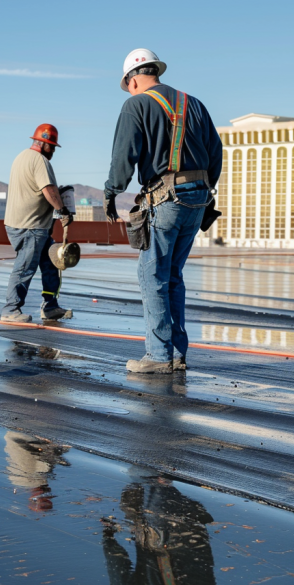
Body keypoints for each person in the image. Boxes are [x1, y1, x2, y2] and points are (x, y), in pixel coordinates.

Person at [104, 50, 222, 373]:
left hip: (166, 200)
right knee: (173, 276)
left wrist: (111, 192)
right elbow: (216, 153)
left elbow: (123, 157)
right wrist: (203, 189)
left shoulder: (136, 105)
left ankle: (158, 356)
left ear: (133, 80)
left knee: (151, 275)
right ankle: (178, 354)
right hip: (197, 200)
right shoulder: (194, 104)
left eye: (128, 84)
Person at [1, 124, 73, 323]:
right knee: (25, 267)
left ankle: (50, 306)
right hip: (30, 226)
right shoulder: (40, 161)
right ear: (43, 143)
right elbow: (48, 189)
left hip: (28, 225)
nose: (53, 152)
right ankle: (10, 310)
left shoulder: (21, 157)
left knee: (51, 262)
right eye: (52, 147)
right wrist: (63, 210)